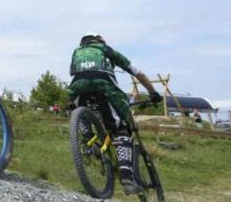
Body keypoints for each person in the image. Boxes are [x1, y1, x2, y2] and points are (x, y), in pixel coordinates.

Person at [68, 33, 162, 196]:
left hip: (77, 87)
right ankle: (127, 178)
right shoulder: (107, 50)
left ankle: (88, 140)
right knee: (121, 129)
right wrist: (153, 93)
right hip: (105, 86)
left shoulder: (77, 52)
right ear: (99, 41)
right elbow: (137, 73)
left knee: (79, 105)